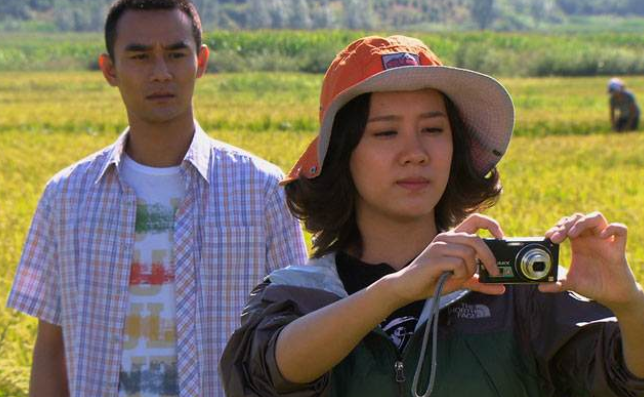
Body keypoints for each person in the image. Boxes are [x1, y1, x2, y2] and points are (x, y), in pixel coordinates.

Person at [220, 35, 644, 397]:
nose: (416, 153)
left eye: (434, 129)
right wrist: (396, 290)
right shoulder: (299, 294)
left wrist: (629, 304)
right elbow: (264, 373)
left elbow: (624, 378)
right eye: (386, 132)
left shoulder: (515, 293)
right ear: (341, 155)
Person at [6, 0, 307, 396]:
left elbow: (298, 334)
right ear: (109, 70)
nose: (161, 72)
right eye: (140, 56)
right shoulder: (65, 198)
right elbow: (51, 348)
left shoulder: (262, 190)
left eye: (175, 54)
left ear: (200, 61)